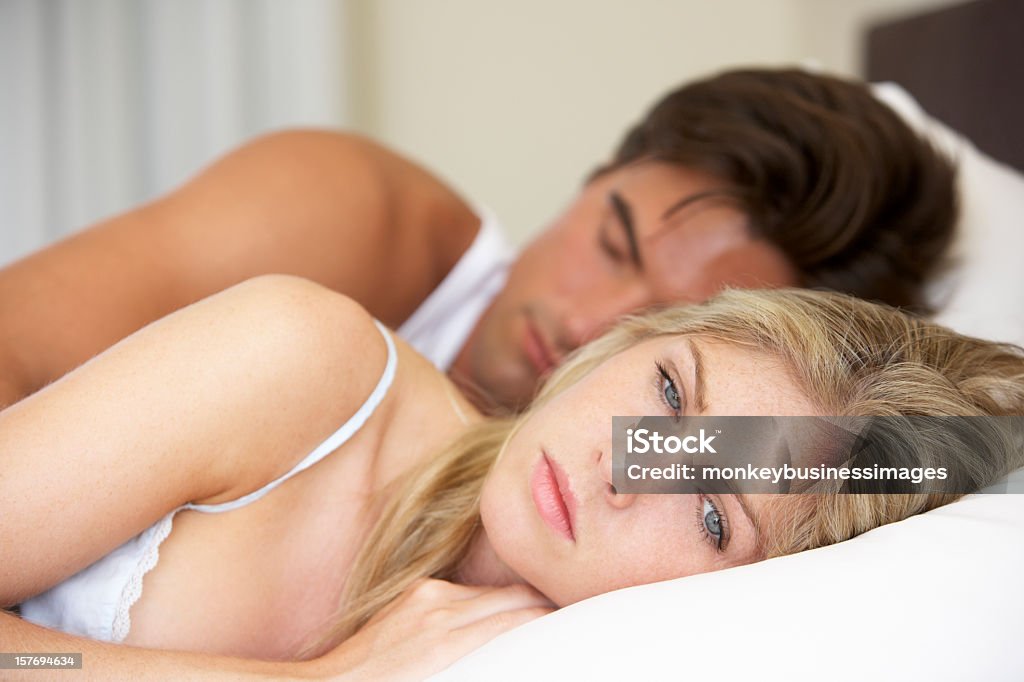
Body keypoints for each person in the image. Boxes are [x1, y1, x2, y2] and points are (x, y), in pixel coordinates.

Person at [2, 275, 1020, 680]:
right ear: (630, 338)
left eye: (712, 507)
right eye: (668, 394)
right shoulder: (302, 366)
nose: (624, 470)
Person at [0, 68, 957, 411]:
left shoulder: (620, 498)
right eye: (614, 241)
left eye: (676, 325)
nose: (590, 320)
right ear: (594, 182)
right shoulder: (347, 211)